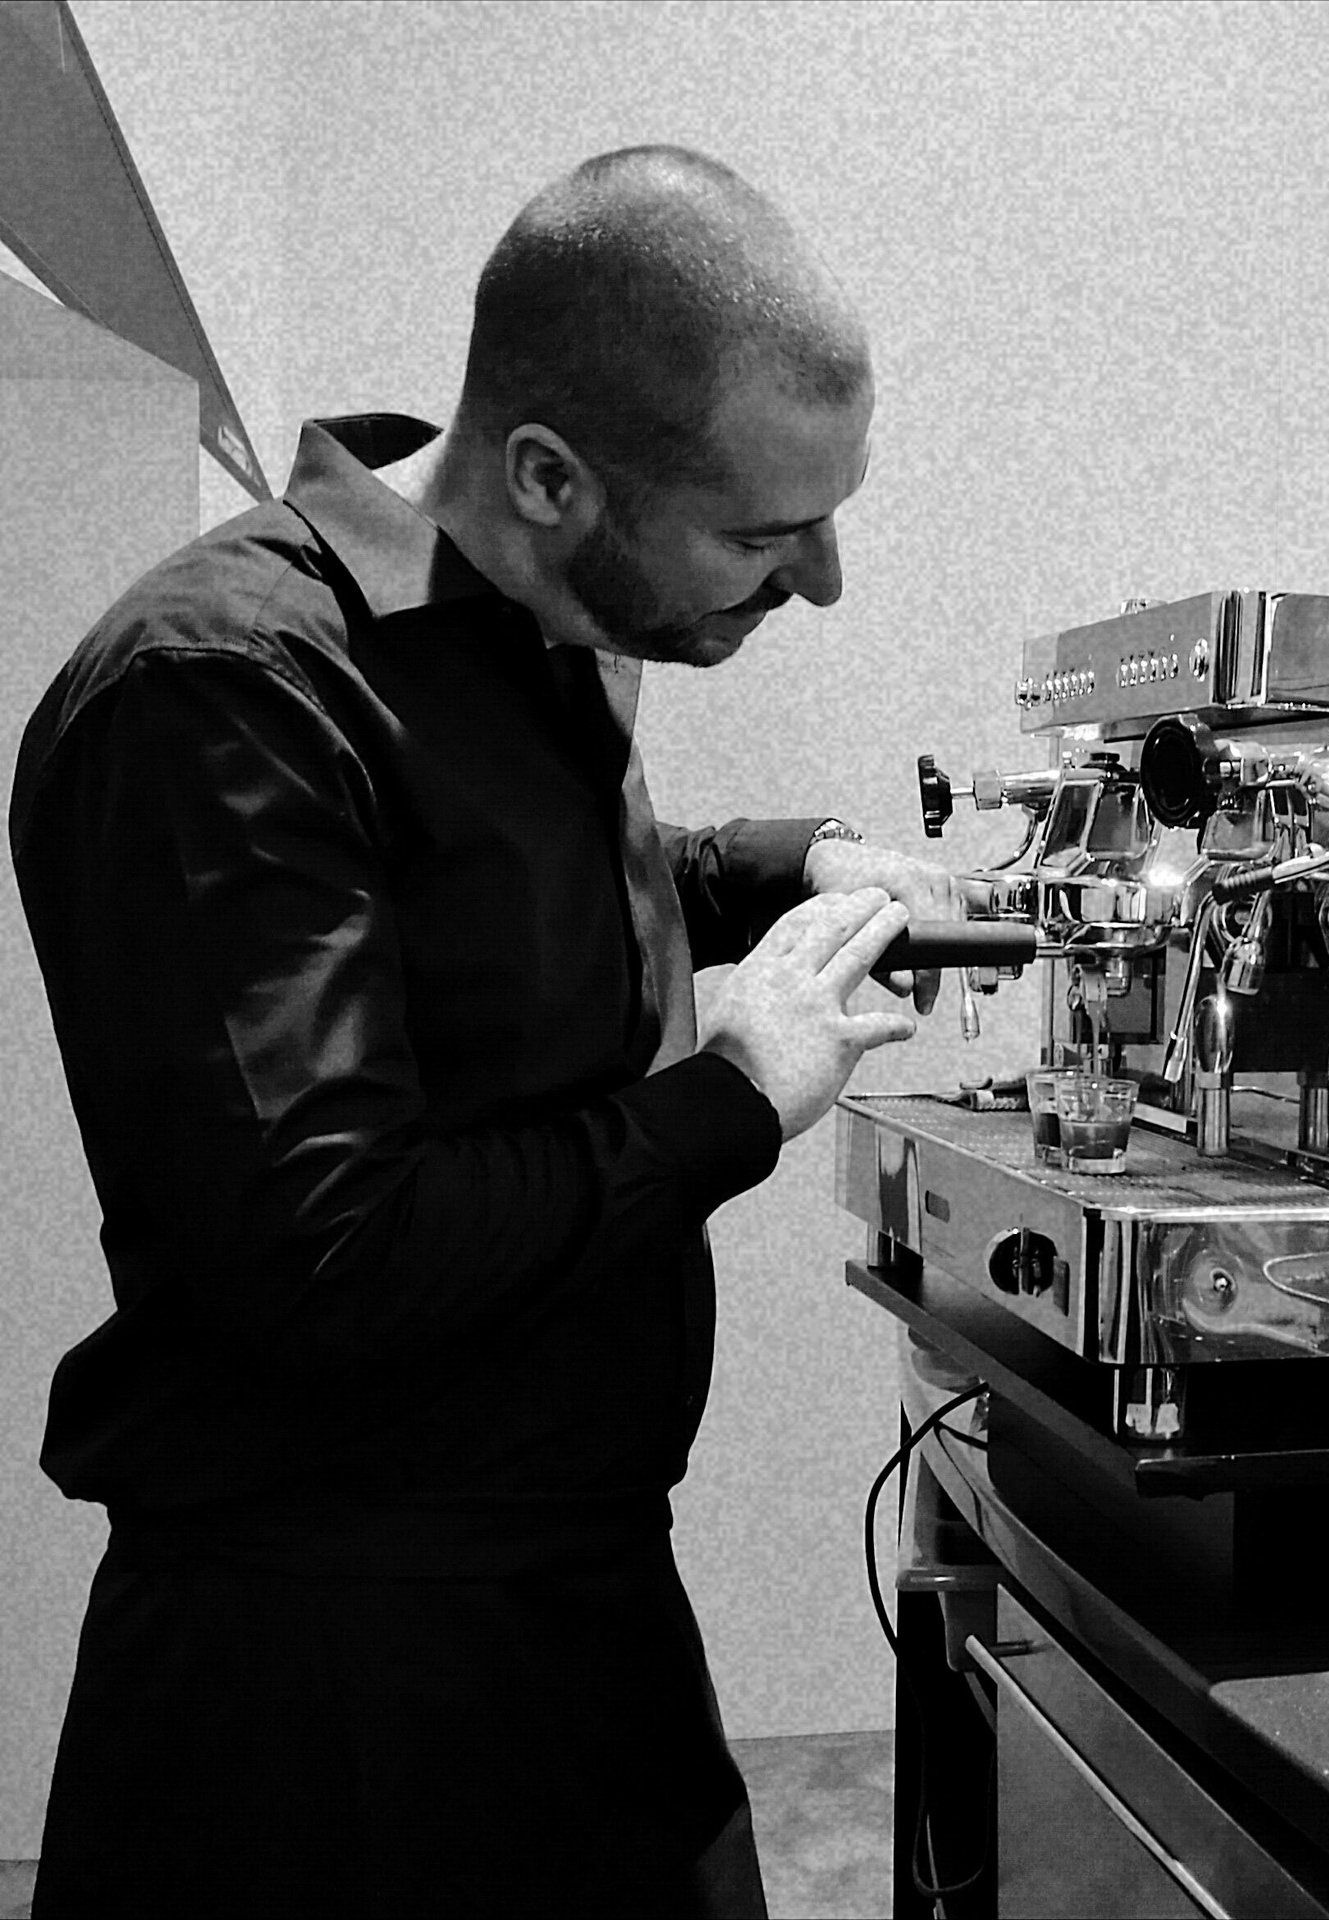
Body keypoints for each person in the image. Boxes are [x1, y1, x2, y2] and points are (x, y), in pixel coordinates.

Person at [12, 145, 970, 1918]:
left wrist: (793, 864)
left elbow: (507, 907)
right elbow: (326, 1254)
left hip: (576, 1604)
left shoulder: (519, 622)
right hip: (334, 1687)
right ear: (546, 476)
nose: (824, 581)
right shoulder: (221, 690)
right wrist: (734, 1094)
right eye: (765, 536)